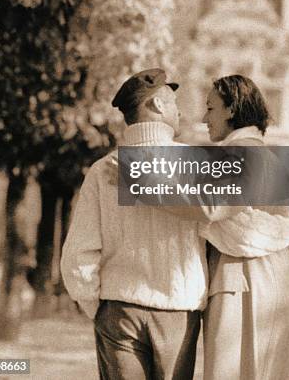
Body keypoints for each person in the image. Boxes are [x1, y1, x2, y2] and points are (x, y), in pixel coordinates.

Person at [61, 68, 208, 380]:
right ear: (155, 106)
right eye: (172, 101)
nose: (180, 110)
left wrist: (98, 308)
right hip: (178, 313)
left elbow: (77, 254)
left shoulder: (102, 171)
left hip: (119, 309)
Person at [201, 74, 289, 380]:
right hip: (278, 276)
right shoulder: (268, 156)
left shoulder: (234, 154)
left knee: (236, 370)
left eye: (210, 108)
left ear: (231, 110)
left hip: (243, 278)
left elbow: (209, 207)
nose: (204, 117)